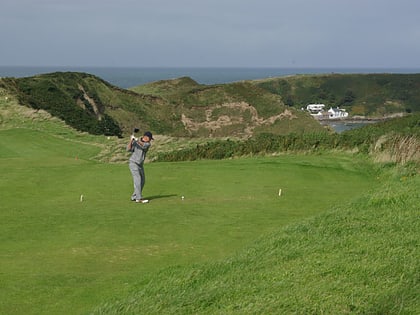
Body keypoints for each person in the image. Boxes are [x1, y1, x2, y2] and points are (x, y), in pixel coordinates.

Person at [127, 131, 153, 203]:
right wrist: (131, 140)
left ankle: (134, 196)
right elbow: (128, 149)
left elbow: (143, 145)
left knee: (142, 181)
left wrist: (135, 139)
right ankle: (139, 198)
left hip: (140, 165)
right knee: (137, 180)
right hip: (133, 163)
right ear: (146, 137)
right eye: (150, 138)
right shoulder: (136, 142)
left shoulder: (148, 144)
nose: (150, 140)